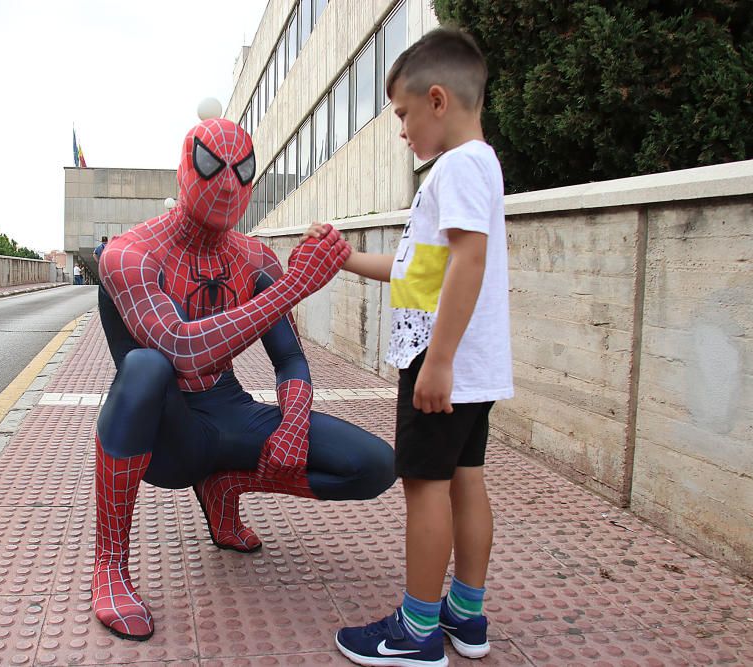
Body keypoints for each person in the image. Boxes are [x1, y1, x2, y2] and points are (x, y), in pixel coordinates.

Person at [93, 115, 396, 641]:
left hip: (231, 411)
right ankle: (110, 567)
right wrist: (292, 288)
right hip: (168, 431)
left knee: (373, 466)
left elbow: (290, 359)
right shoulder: (129, 253)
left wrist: (294, 424)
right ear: (184, 170)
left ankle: (227, 483)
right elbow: (179, 349)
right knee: (144, 368)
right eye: (212, 165)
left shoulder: (254, 258)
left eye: (243, 168)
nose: (228, 182)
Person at [319, 27, 513, 666]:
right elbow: (420, 272)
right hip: (471, 368)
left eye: (402, 114)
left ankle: (418, 630)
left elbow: (468, 261)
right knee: (465, 480)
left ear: (438, 100)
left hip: (444, 365)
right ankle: (466, 614)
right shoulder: (478, 166)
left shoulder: (456, 166)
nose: (401, 130)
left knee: (425, 486)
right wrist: (346, 259)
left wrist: (439, 360)